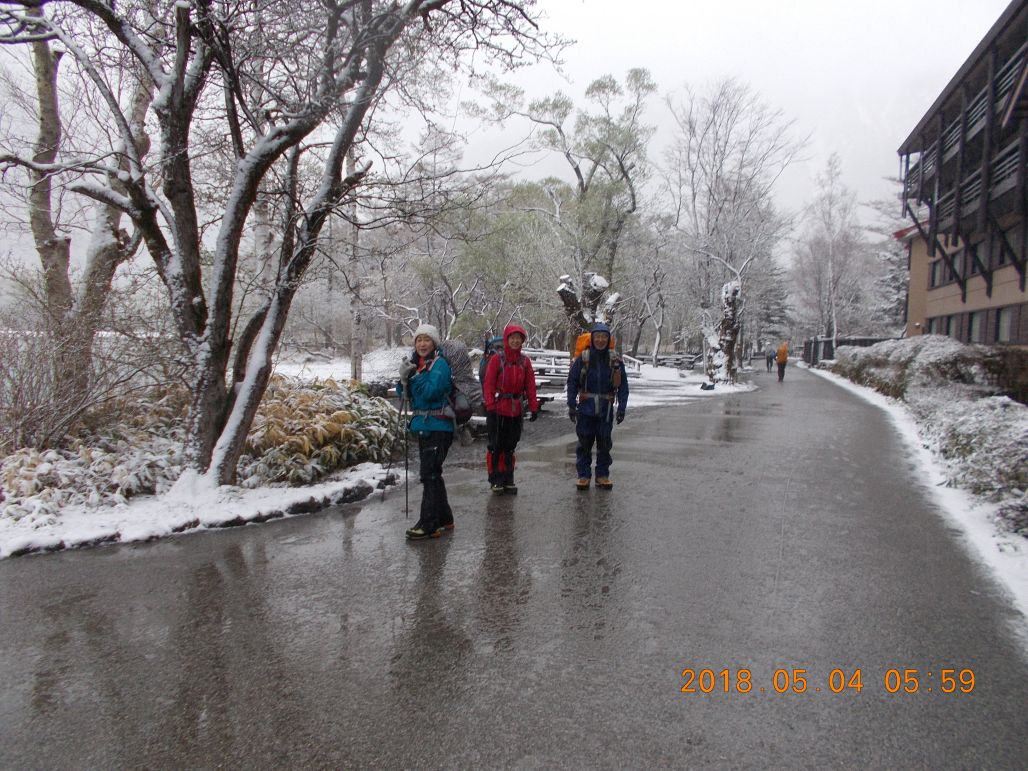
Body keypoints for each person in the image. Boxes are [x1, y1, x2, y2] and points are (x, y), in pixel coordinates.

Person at [397, 324, 454, 540]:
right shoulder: (417, 364)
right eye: (419, 339)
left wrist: (412, 378)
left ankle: (429, 524)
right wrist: (403, 379)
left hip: (438, 426)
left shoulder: (440, 365)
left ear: (434, 343)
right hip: (424, 425)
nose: (422, 344)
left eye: (426, 340)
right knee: (433, 473)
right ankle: (445, 518)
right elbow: (404, 394)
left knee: (429, 474)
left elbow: (431, 392)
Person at [566, 322, 629, 490]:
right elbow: (572, 382)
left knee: (604, 444)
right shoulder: (584, 358)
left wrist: (622, 407)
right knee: (584, 443)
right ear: (592, 338)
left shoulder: (615, 360)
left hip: (605, 409)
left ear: (608, 339)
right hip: (586, 408)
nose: (600, 340)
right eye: (598, 337)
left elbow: (623, 386)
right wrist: (571, 405)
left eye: (604, 337)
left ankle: (602, 475)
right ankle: (583, 476)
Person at [482, 323, 539, 494]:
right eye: (512, 338)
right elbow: (489, 384)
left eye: (518, 338)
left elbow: (530, 386)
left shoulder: (524, 361)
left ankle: (508, 477)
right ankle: (496, 479)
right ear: (507, 339)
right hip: (498, 409)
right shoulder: (496, 360)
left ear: (522, 341)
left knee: (510, 445)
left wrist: (533, 406)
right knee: (496, 445)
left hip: (515, 410)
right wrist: (490, 404)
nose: (515, 341)